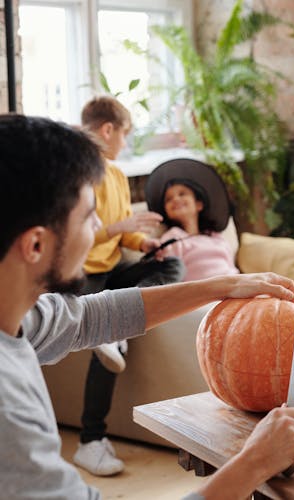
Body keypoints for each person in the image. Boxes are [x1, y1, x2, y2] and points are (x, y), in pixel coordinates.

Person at [0, 114, 294, 499]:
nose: (100, 228)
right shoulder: (7, 407)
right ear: (35, 246)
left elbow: (91, 317)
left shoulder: (18, 320)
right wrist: (256, 462)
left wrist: (223, 285)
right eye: (88, 217)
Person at [73, 96, 185, 475]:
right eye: (125, 134)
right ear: (108, 130)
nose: (125, 143)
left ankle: (119, 325)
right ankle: (90, 441)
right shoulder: (76, 172)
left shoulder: (117, 176)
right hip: (80, 273)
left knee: (171, 265)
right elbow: (71, 237)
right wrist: (119, 229)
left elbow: (124, 237)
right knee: (103, 339)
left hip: (112, 269)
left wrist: (144, 243)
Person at [143, 158, 239, 282]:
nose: (176, 199)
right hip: (207, 295)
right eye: (169, 199)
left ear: (199, 204)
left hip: (236, 286)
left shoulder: (216, 237)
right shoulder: (173, 239)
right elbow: (168, 278)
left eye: (182, 194)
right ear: (166, 212)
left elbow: (232, 268)